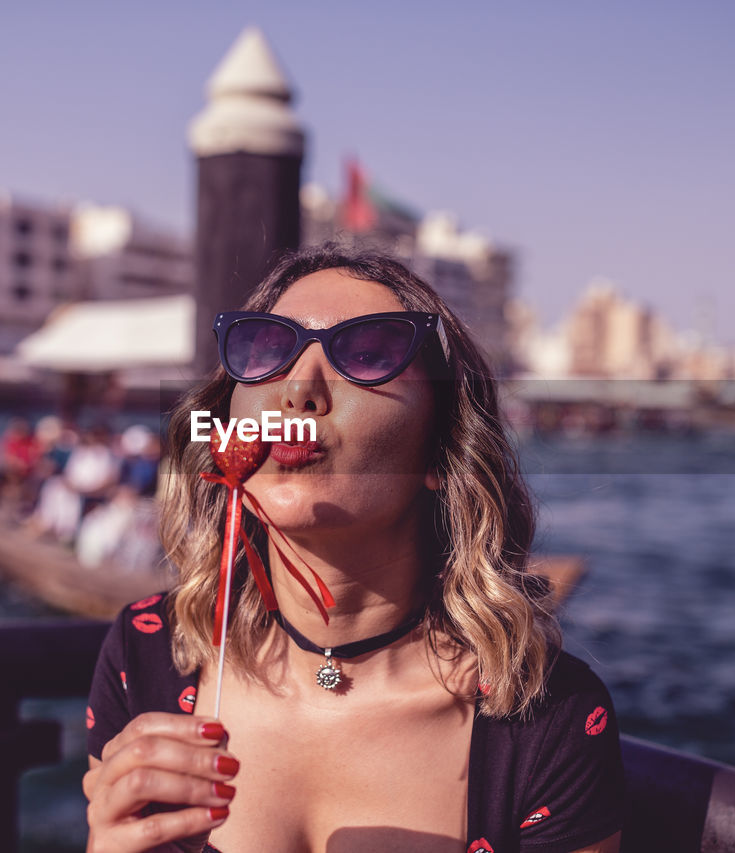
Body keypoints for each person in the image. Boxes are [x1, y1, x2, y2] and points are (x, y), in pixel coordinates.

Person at [83, 246, 624, 852]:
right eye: (266, 347)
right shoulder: (148, 652)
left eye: (367, 354)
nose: (298, 388)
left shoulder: (544, 720)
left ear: (441, 453)